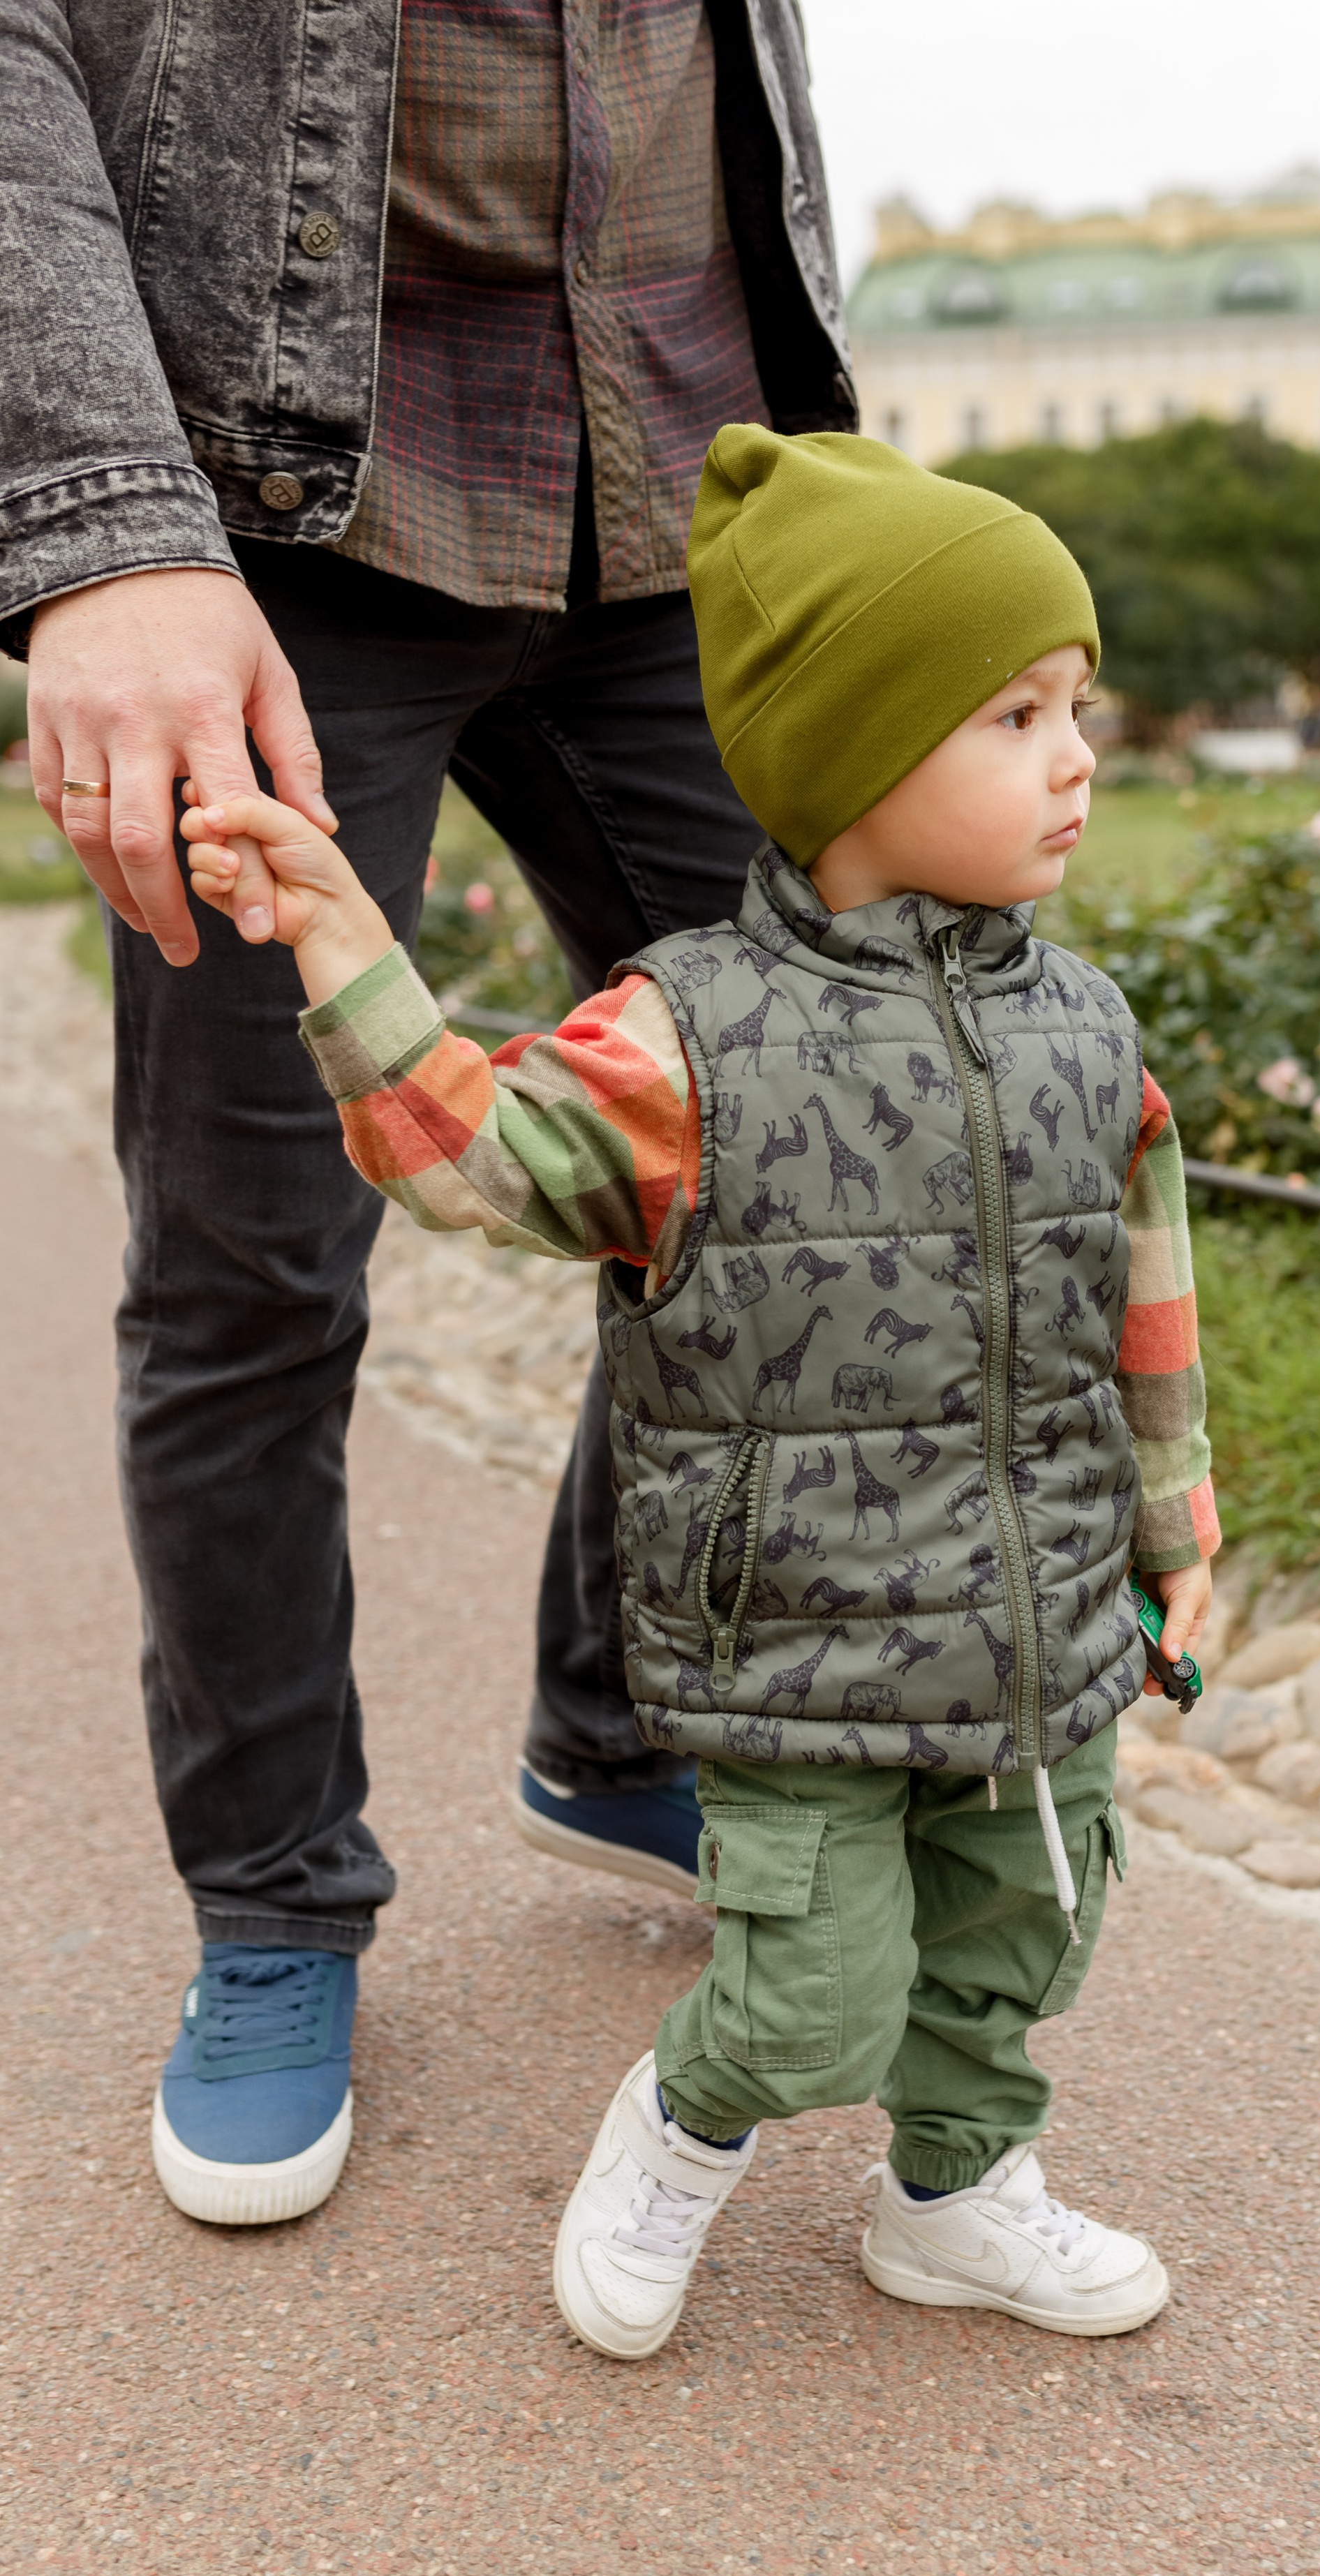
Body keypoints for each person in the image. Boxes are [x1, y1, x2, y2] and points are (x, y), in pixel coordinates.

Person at [179, 429, 1222, 2346]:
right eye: (1013, 714)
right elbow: (464, 1154)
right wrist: (346, 943)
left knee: (1022, 1936)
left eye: (1078, 704)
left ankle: (959, 2194)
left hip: (1040, 1620)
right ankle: (678, 2127)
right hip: (800, 1648)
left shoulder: (1088, 1032)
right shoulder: (687, 1037)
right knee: (807, 1990)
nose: (1077, 753)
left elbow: (1142, 1305)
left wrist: (1178, 1531)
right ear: (853, 753)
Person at [3, 0, 853, 2224]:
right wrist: (100, 529)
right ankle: (278, 1904)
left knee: (786, 1149)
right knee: (255, 1265)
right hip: (270, 513)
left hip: (691, 481)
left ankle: (615, 1720)